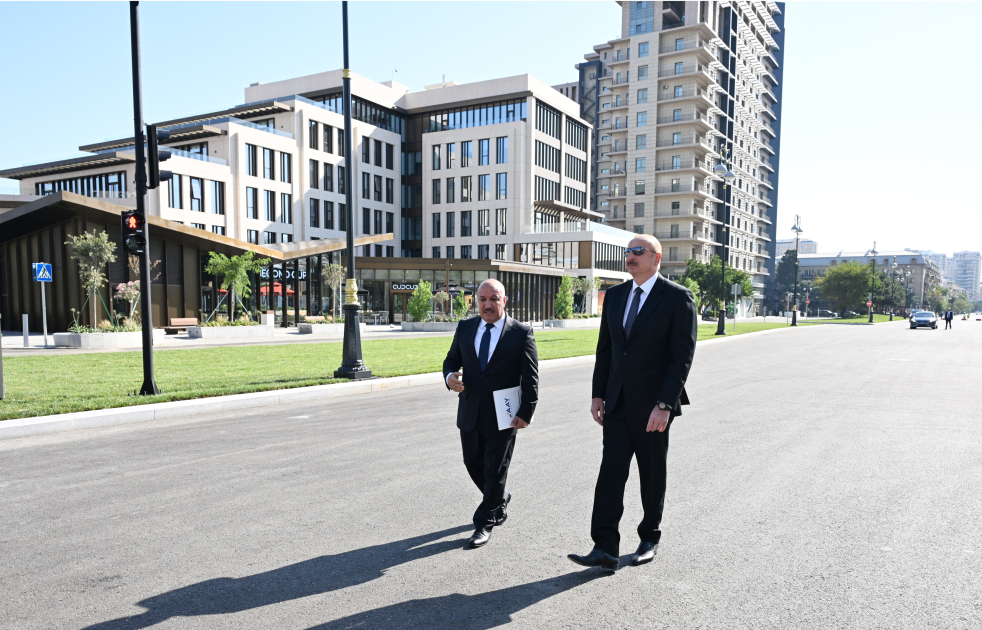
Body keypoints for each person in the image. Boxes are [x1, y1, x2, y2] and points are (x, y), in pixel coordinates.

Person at [568, 235, 697, 572]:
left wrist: (665, 405)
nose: (631, 256)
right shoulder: (615, 296)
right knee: (610, 472)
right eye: (628, 252)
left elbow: (681, 357)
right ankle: (604, 547)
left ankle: (649, 537)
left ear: (656, 259)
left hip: (653, 406)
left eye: (638, 252)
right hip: (617, 402)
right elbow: (606, 350)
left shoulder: (677, 298)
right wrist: (598, 394)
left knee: (651, 474)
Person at [443, 279, 539, 549]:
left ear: (504, 301)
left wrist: (526, 412)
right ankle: (499, 497)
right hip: (471, 409)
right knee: (471, 462)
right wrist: (449, 376)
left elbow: (531, 378)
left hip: (504, 412)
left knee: (495, 469)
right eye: (482, 299)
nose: (487, 304)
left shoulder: (520, 332)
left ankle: (484, 521)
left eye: (494, 299)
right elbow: (452, 360)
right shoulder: (465, 328)